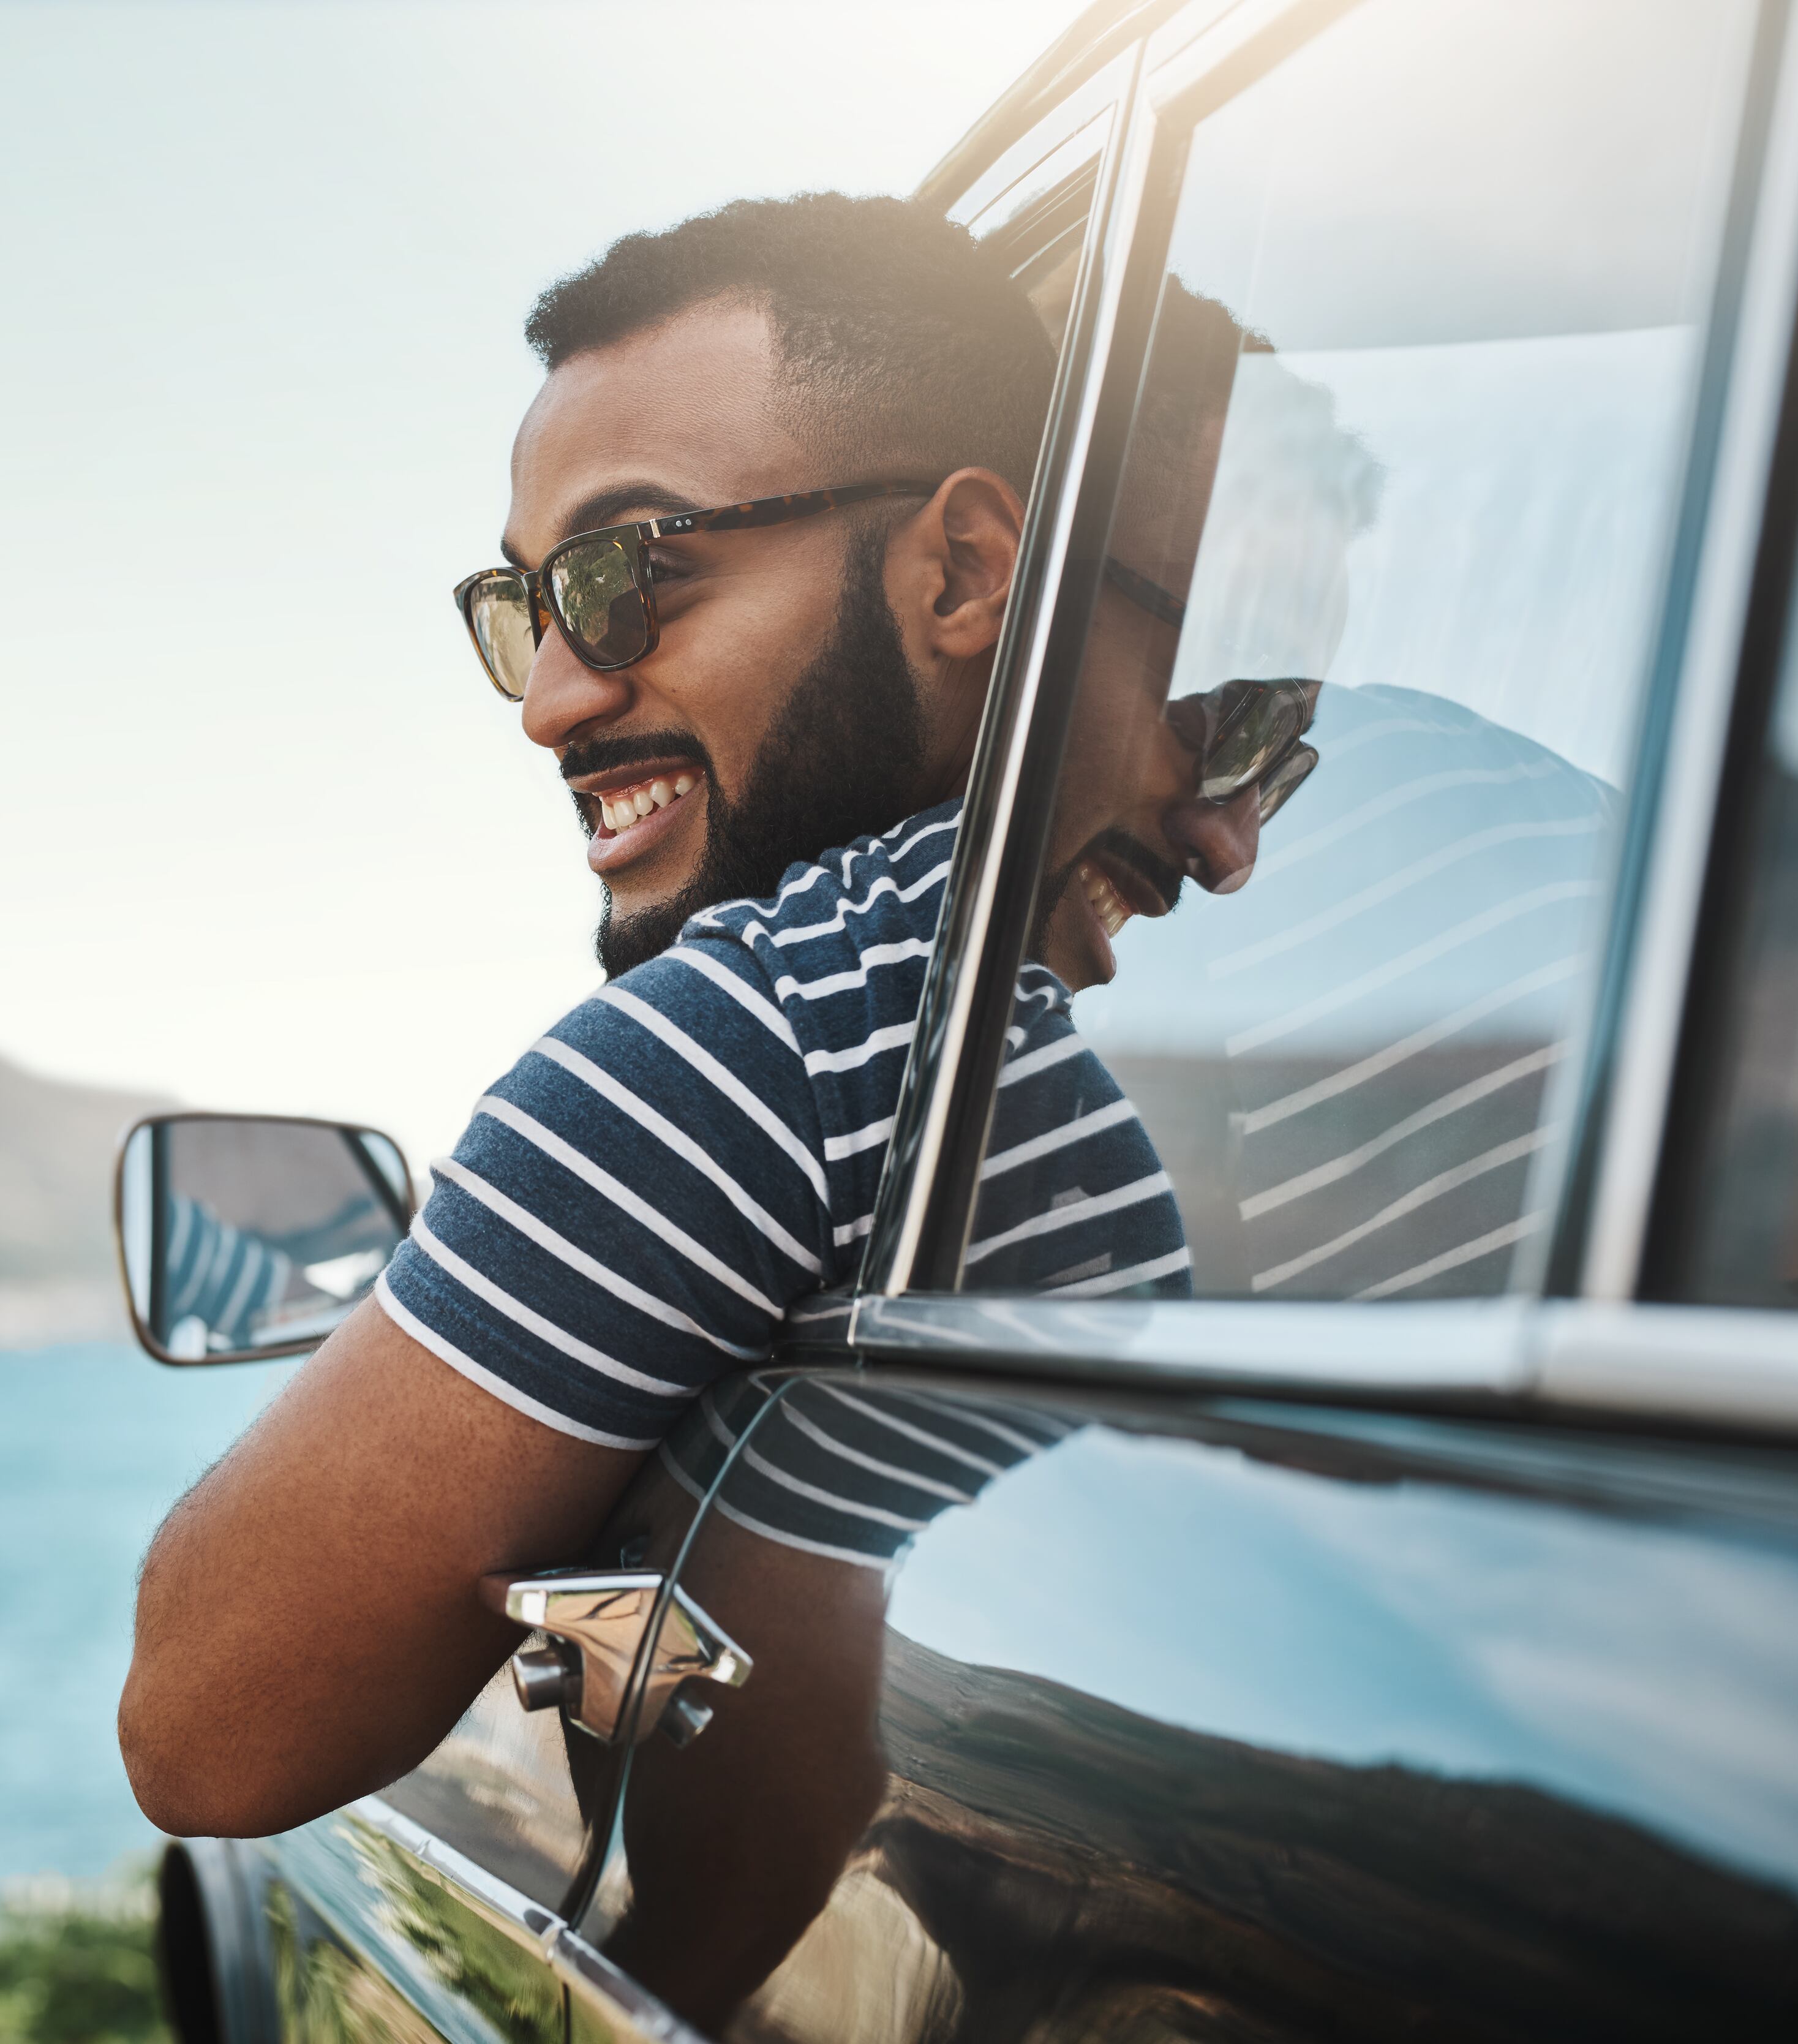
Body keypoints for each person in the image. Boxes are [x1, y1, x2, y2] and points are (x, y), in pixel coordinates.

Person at [119, 195, 1274, 1841]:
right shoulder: (1333, 880)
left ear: (963, 570)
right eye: (526, 607)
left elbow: (207, 1733)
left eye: (627, 573)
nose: (550, 701)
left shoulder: (786, 1020)